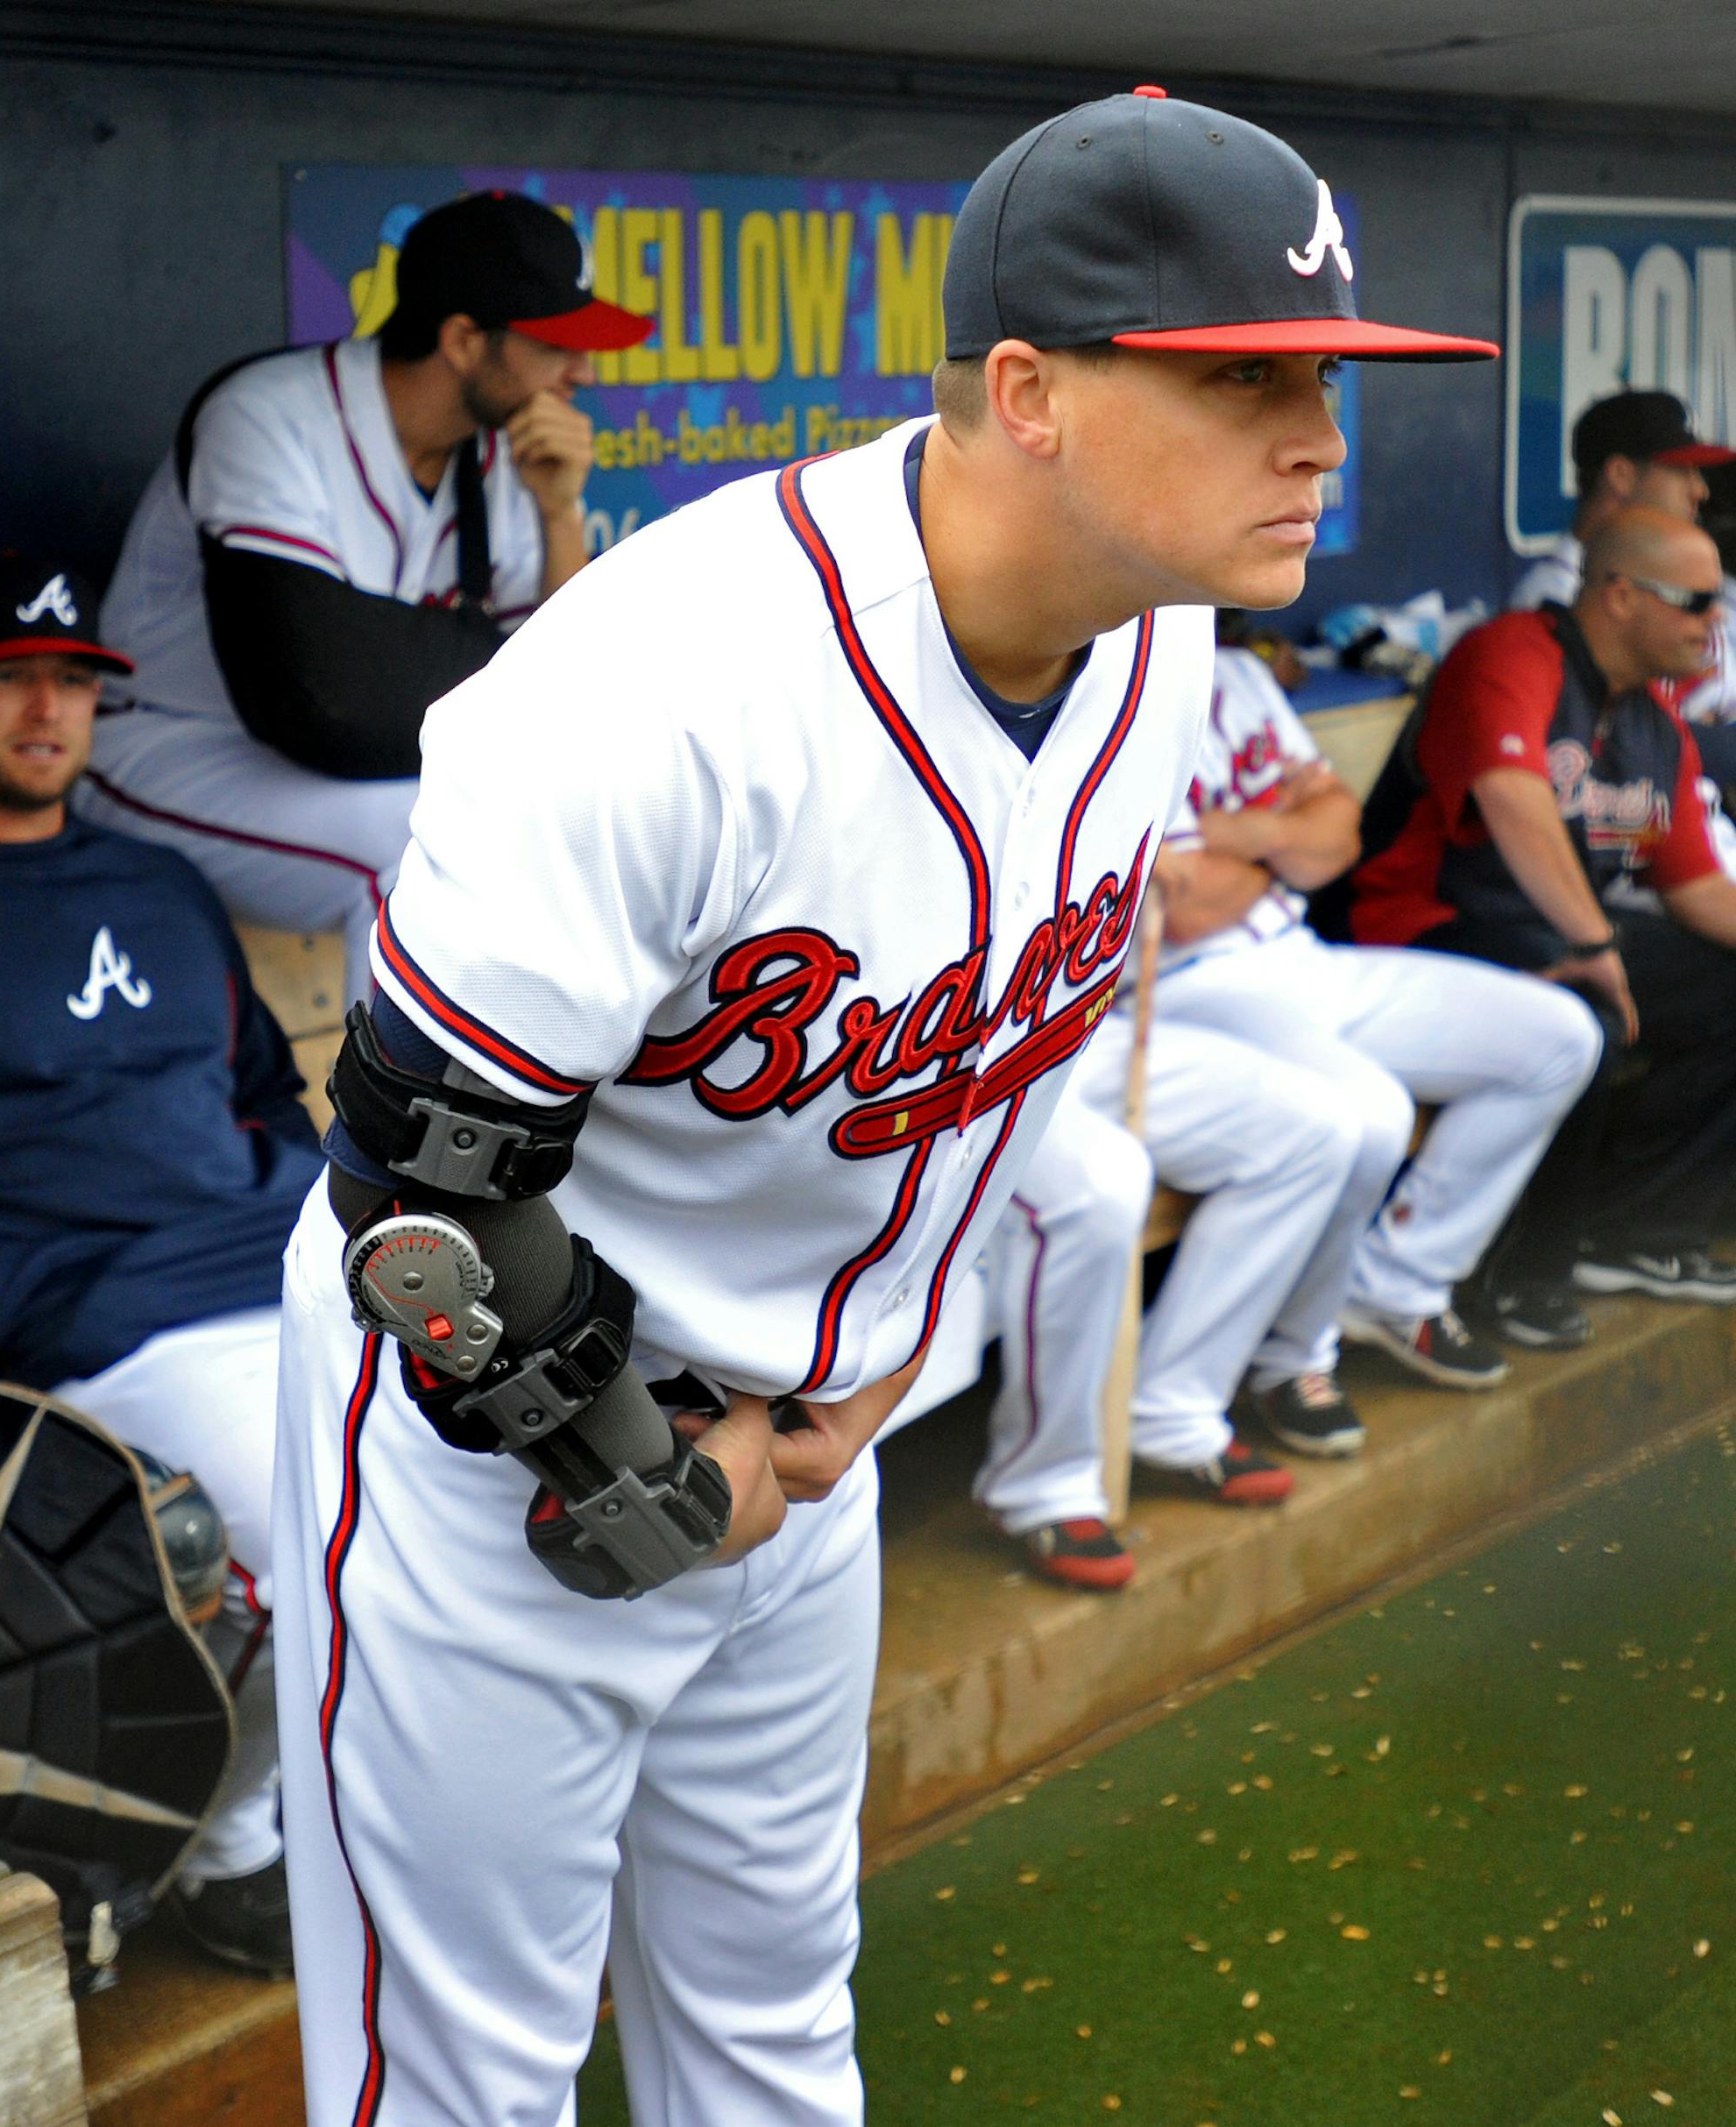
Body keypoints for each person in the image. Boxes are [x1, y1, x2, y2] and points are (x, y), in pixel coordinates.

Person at [271, 89, 1495, 2124]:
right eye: (1243, 377)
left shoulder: (1162, 638)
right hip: (497, 1467)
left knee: (770, 2037)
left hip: (806, 1449)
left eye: (1328, 373)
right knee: (455, 2086)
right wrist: (653, 1468)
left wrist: (850, 1395)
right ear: (1025, 389)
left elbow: (987, 1050)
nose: (1315, 433)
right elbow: (422, 1201)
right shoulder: (655, 691)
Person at [0, 553, 325, 1974]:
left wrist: (310, 1210)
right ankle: (230, 1854)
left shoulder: (161, 881)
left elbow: (261, 1098)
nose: (46, 708)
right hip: (111, 1327)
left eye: (70, 680)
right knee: (314, 1563)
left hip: (291, 1273)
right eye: (7, 678)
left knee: (504, 1501)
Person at [973, 647, 1603, 1589]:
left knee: (1556, 1035)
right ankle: (1259, 1372)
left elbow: (1339, 833)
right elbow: (1177, 907)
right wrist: (1278, 849)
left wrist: (1245, 844)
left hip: (1294, 956)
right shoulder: (1087, 680)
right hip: (1165, 993)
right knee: (1359, 1115)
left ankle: (1359, 1305)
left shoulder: (1233, 675)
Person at [75, 192, 655, 998]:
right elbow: (319, 698)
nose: (584, 371)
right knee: (422, 848)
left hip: (358, 765)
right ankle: (383, 1125)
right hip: (168, 750)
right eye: (557, 344)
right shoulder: (270, 418)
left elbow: (566, 693)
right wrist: (488, 682)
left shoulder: (507, 457)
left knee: (563, 827)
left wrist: (560, 513)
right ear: (462, 339)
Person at [1350, 509, 1736, 1338]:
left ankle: (1638, 1226)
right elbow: (1512, 796)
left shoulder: (1655, 726)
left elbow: (1700, 889)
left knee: (1721, 979)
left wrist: (1589, 943)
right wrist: (1596, 945)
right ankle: (1518, 1273)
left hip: (1549, 935)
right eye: (1696, 600)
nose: (1716, 620)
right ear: (1622, 595)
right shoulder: (1512, 653)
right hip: (1415, 930)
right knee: (1579, 1010)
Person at [1511, 390, 1736, 776]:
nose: (1700, 491)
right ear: (1621, 476)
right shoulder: (1553, 602)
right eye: (1682, 471)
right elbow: (1610, 753)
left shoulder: (1675, 588)